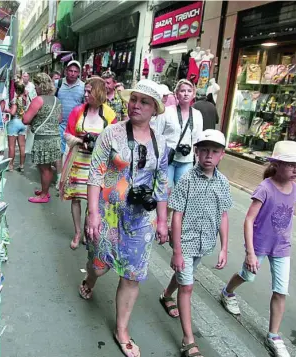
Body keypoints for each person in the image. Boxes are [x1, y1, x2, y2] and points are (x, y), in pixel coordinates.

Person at [82, 79, 168, 357]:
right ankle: (90, 280)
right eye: (134, 99)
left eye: (144, 102)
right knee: (99, 266)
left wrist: (163, 220)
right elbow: (95, 173)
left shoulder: (161, 141)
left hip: (141, 219)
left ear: (154, 109)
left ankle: (122, 330)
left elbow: (163, 183)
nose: (136, 105)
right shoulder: (112, 134)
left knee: (132, 276)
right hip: (107, 213)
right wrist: (93, 214)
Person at [220, 141, 296, 357]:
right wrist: (250, 252)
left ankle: (274, 335)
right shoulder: (265, 188)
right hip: (259, 245)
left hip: (282, 247)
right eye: (291, 165)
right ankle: (227, 292)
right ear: (277, 164)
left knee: (281, 290)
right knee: (247, 276)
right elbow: (249, 220)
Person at [163, 129, 232, 357]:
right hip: (185, 241)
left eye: (214, 151)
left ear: (222, 155)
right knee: (188, 286)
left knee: (184, 274)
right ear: (196, 152)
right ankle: (188, 340)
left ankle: (165, 296)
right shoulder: (187, 180)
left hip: (205, 242)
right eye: (204, 151)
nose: (209, 156)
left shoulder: (223, 182)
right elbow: (177, 216)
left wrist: (224, 247)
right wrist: (177, 251)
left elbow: (223, 215)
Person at [60, 77, 117, 249]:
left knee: (93, 198)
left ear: (98, 92)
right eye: (85, 91)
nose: (85, 94)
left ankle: (87, 230)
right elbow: (67, 134)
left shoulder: (109, 114)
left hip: (98, 163)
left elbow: (114, 137)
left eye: (88, 91)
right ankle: (78, 232)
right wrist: (80, 140)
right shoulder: (78, 111)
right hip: (78, 160)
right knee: (76, 198)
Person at [22, 73, 62, 203]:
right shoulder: (56, 100)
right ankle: (45, 191)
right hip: (55, 138)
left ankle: (44, 195)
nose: (35, 89)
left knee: (44, 168)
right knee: (47, 167)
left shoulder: (38, 100)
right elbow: (59, 119)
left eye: (36, 85)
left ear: (40, 85)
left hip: (42, 139)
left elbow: (26, 119)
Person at [167, 79, 203, 188]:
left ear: (193, 94)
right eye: (182, 91)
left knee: (182, 192)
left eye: (189, 91)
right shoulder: (168, 111)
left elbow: (198, 140)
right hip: (168, 158)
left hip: (186, 159)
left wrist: (198, 163)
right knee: (165, 192)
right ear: (176, 94)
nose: (186, 94)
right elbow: (158, 134)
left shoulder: (197, 114)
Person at [56, 61, 85, 182]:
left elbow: (85, 105)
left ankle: (71, 177)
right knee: (59, 151)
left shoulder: (83, 87)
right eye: (70, 71)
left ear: (78, 73)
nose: (73, 74)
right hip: (60, 124)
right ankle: (59, 179)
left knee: (73, 152)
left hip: (76, 126)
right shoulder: (58, 83)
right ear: (66, 71)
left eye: (75, 71)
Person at [4, 81, 28, 172]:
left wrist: (7, 109)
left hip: (14, 123)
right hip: (22, 123)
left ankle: (10, 166)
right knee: (22, 146)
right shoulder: (25, 100)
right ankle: (22, 165)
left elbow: (13, 112)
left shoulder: (15, 99)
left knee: (12, 147)